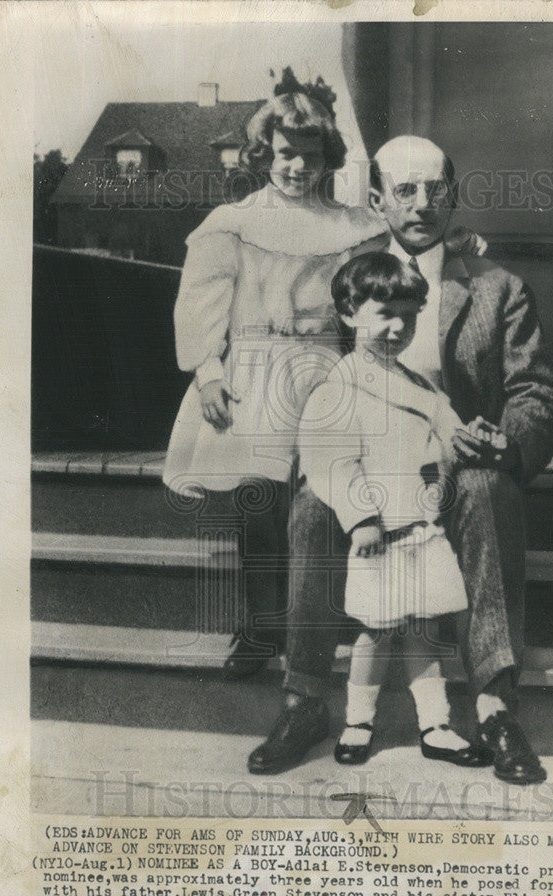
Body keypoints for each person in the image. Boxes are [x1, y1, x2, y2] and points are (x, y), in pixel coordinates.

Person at [248, 135, 553, 786]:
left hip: (455, 461)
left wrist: (509, 438)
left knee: (485, 486)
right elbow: (308, 375)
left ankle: (495, 706)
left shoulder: (496, 288)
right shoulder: (344, 281)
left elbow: (536, 391)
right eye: (405, 190)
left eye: (435, 190)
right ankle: (304, 701)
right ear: (376, 200)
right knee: (312, 502)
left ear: (451, 199)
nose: (422, 203)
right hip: (366, 456)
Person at [162, 84, 387, 676]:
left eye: (310, 156)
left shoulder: (349, 226)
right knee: (258, 501)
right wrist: (208, 372)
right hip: (254, 371)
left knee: (321, 496)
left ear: (327, 157)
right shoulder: (233, 223)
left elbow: (377, 288)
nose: (297, 167)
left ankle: (318, 617)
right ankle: (260, 628)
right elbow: (200, 301)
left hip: (323, 370)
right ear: (265, 152)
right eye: (286, 153)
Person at [299, 252, 493, 768]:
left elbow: (447, 429)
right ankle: (358, 721)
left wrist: (470, 437)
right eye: (384, 314)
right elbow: (333, 460)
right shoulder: (339, 386)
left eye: (408, 317)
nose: (397, 328)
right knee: (376, 630)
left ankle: (435, 725)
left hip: (421, 528)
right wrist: (360, 518)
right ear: (348, 312)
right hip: (379, 532)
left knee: (424, 627)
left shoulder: (420, 385)